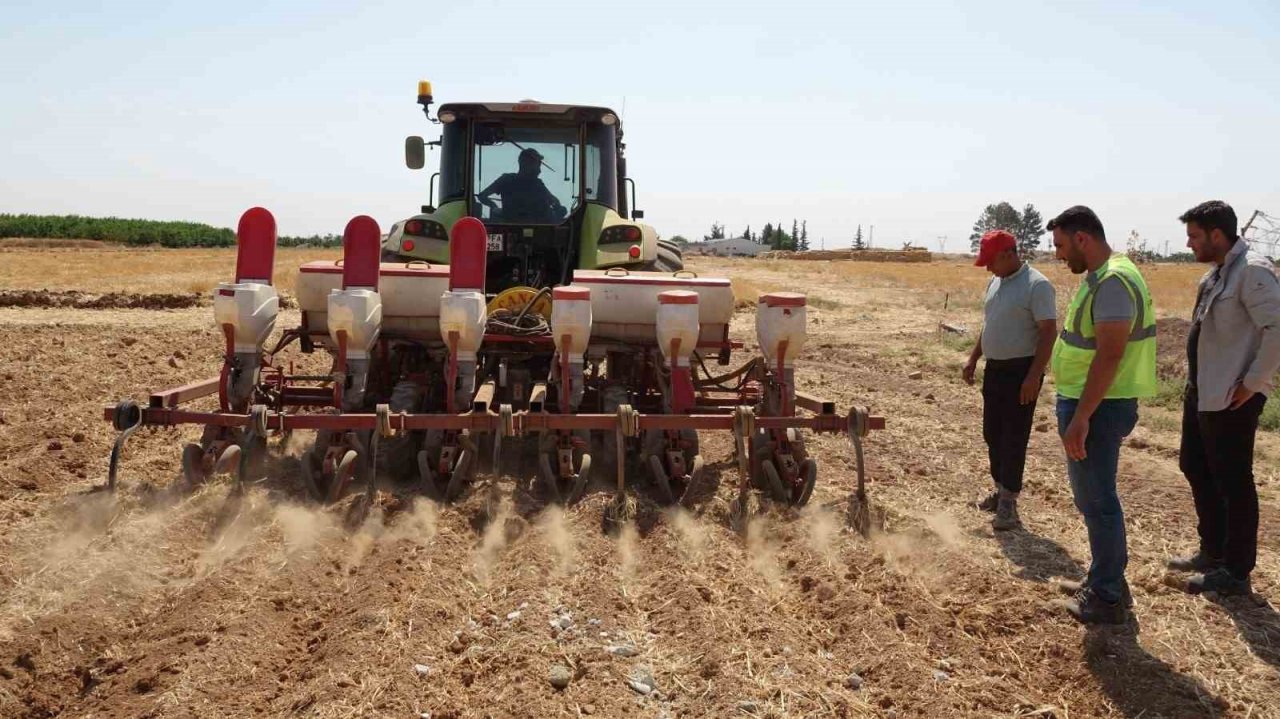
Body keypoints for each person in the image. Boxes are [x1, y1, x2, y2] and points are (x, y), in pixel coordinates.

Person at [1048, 205, 1157, 624]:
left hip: (1098, 406)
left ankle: (1108, 595)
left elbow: (1111, 354)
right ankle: (1107, 578)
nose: (1058, 255)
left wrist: (1081, 417)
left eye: (1060, 245)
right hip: (1093, 402)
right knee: (1092, 497)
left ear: (1082, 239)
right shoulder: (1108, 274)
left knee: (1097, 500)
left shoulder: (1112, 280)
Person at [1168, 200, 1280, 596]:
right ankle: (1212, 550)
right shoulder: (1219, 274)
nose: (1189, 244)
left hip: (1233, 396)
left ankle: (1235, 571)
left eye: (1195, 236)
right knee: (1195, 466)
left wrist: (1252, 383)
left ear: (1218, 234)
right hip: (1203, 391)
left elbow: (1277, 329)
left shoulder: (1252, 272)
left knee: (1233, 480)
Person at [964, 230, 1057, 531]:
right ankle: (999, 487)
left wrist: (1033, 376)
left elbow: (1048, 333)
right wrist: (974, 357)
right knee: (992, 433)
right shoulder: (996, 281)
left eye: (990, 261)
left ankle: (1009, 503)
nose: (987, 268)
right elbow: (990, 325)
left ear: (1007, 254)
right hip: (995, 369)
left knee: (1013, 437)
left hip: (1021, 372)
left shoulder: (1037, 285)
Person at [476, 148, 566, 223]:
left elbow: (554, 201)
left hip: (536, 227)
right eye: (536, 164)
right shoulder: (507, 180)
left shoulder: (537, 184)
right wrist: (494, 207)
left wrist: (557, 207)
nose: (539, 169)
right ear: (524, 163)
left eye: (539, 164)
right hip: (527, 228)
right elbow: (482, 196)